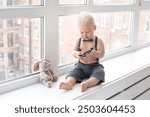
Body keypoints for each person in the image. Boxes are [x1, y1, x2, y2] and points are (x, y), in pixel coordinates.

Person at [59, 11, 105, 92]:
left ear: (94, 28)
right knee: (73, 73)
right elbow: (73, 51)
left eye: (87, 32)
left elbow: (102, 54)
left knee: (100, 73)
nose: (84, 35)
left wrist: (95, 53)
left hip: (94, 66)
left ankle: (87, 84)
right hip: (81, 66)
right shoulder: (79, 40)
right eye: (81, 32)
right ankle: (69, 83)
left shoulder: (98, 41)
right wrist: (77, 54)